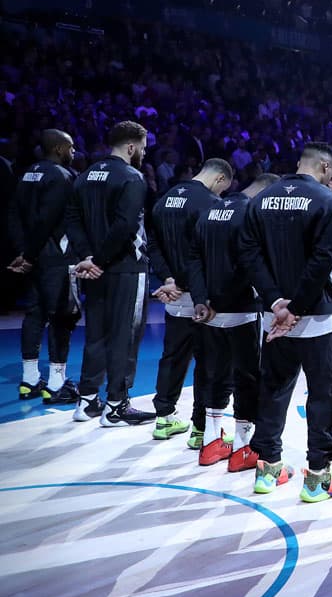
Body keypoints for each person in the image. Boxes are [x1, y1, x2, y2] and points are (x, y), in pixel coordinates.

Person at [239, 142, 332, 503]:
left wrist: (277, 302)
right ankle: (318, 478)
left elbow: (249, 254)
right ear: (324, 167)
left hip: (273, 318)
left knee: (273, 389)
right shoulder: (329, 201)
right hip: (318, 317)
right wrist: (298, 307)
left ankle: (268, 470)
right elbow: (323, 260)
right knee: (324, 394)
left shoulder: (260, 200)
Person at [65, 121, 156, 427]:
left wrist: (87, 258)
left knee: (96, 334)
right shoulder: (132, 176)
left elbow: (72, 220)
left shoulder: (84, 176)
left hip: (93, 269)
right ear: (131, 147)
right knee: (125, 336)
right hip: (126, 268)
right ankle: (116, 405)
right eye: (143, 147)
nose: (144, 152)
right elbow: (126, 225)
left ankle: (88, 400)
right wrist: (100, 259)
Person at [187, 172, 278, 474]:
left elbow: (194, 260)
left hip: (208, 311)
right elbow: (249, 263)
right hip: (242, 310)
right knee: (247, 377)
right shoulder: (251, 213)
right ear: (265, 192)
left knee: (215, 374)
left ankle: (211, 443)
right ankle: (243, 446)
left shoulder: (209, 210)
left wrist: (202, 299)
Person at [148, 158, 233, 452]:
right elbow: (204, 253)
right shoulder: (210, 203)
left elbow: (153, 246)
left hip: (171, 294)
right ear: (221, 180)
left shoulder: (162, 200)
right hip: (201, 297)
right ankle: (199, 429)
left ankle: (164, 418)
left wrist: (169, 279)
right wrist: (187, 285)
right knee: (207, 361)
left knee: (172, 355)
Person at [9, 129, 81, 405]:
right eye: (72, 147)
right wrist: (29, 252)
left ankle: (29, 379)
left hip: (32, 257)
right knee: (61, 316)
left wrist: (22, 253)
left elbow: (13, 214)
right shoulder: (63, 176)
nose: (74, 153)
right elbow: (48, 219)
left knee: (34, 314)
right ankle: (55, 383)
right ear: (60, 149)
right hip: (56, 257)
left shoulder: (26, 173)